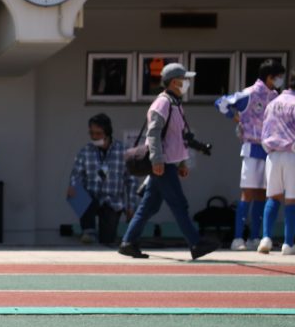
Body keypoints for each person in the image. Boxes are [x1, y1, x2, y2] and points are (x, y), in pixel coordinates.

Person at [119, 63, 220, 260]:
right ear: (174, 82)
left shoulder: (174, 103)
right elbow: (154, 133)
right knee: (179, 204)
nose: (187, 83)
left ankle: (128, 242)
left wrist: (182, 163)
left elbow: (177, 137)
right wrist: (157, 160)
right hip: (162, 164)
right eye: (184, 80)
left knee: (149, 206)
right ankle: (196, 243)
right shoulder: (163, 103)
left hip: (167, 163)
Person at [215, 60, 282, 250]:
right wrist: (235, 117)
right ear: (269, 77)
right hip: (251, 148)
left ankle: (254, 237)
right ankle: (238, 238)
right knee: (248, 193)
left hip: (269, 150)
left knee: (262, 194)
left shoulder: (275, 96)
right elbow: (221, 102)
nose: (280, 80)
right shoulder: (249, 93)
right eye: (278, 76)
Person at [67, 113, 138, 245]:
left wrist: (131, 206)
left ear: (108, 133)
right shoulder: (85, 152)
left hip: (113, 200)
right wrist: (73, 187)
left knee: (107, 241)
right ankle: (88, 232)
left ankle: (105, 245)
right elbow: (76, 175)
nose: (94, 137)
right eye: (92, 133)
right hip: (91, 197)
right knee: (76, 191)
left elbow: (131, 181)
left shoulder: (124, 151)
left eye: (98, 133)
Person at [257, 78, 295, 255]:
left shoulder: (272, 103)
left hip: (272, 154)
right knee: (292, 199)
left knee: (272, 197)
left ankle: (266, 238)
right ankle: (288, 243)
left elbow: (264, 129)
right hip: (292, 153)